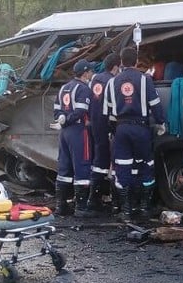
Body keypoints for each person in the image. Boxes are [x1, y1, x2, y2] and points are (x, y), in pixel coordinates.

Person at [103, 46, 166, 223]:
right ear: (136, 59)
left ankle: (126, 210)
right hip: (141, 129)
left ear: (121, 61)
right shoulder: (145, 80)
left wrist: (113, 130)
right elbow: (155, 104)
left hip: (121, 130)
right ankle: (144, 207)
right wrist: (161, 122)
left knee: (122, 167)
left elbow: (108, 112)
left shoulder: (112, 82)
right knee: (146, 165)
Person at [52, 60, 98, 218]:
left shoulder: (64, 88)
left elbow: (56, 111)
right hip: (79, 131)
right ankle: (81, 207)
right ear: (85, 73)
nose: (92, 74)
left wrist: (63, 119)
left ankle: (61, 205)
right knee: (82, 166)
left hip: (64, 132)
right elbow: (81, 111)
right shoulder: (84, 89)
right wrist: (71, 118)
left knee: (64, 167)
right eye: (90, 71)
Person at [87, 52, 121, 213]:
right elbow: (114, 106)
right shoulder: (113, 81)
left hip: (94, 124)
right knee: (114, 162)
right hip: (108, 125)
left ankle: (94, 198)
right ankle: (115, 202)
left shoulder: (94, 79)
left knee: (98, 161)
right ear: (116, 67)